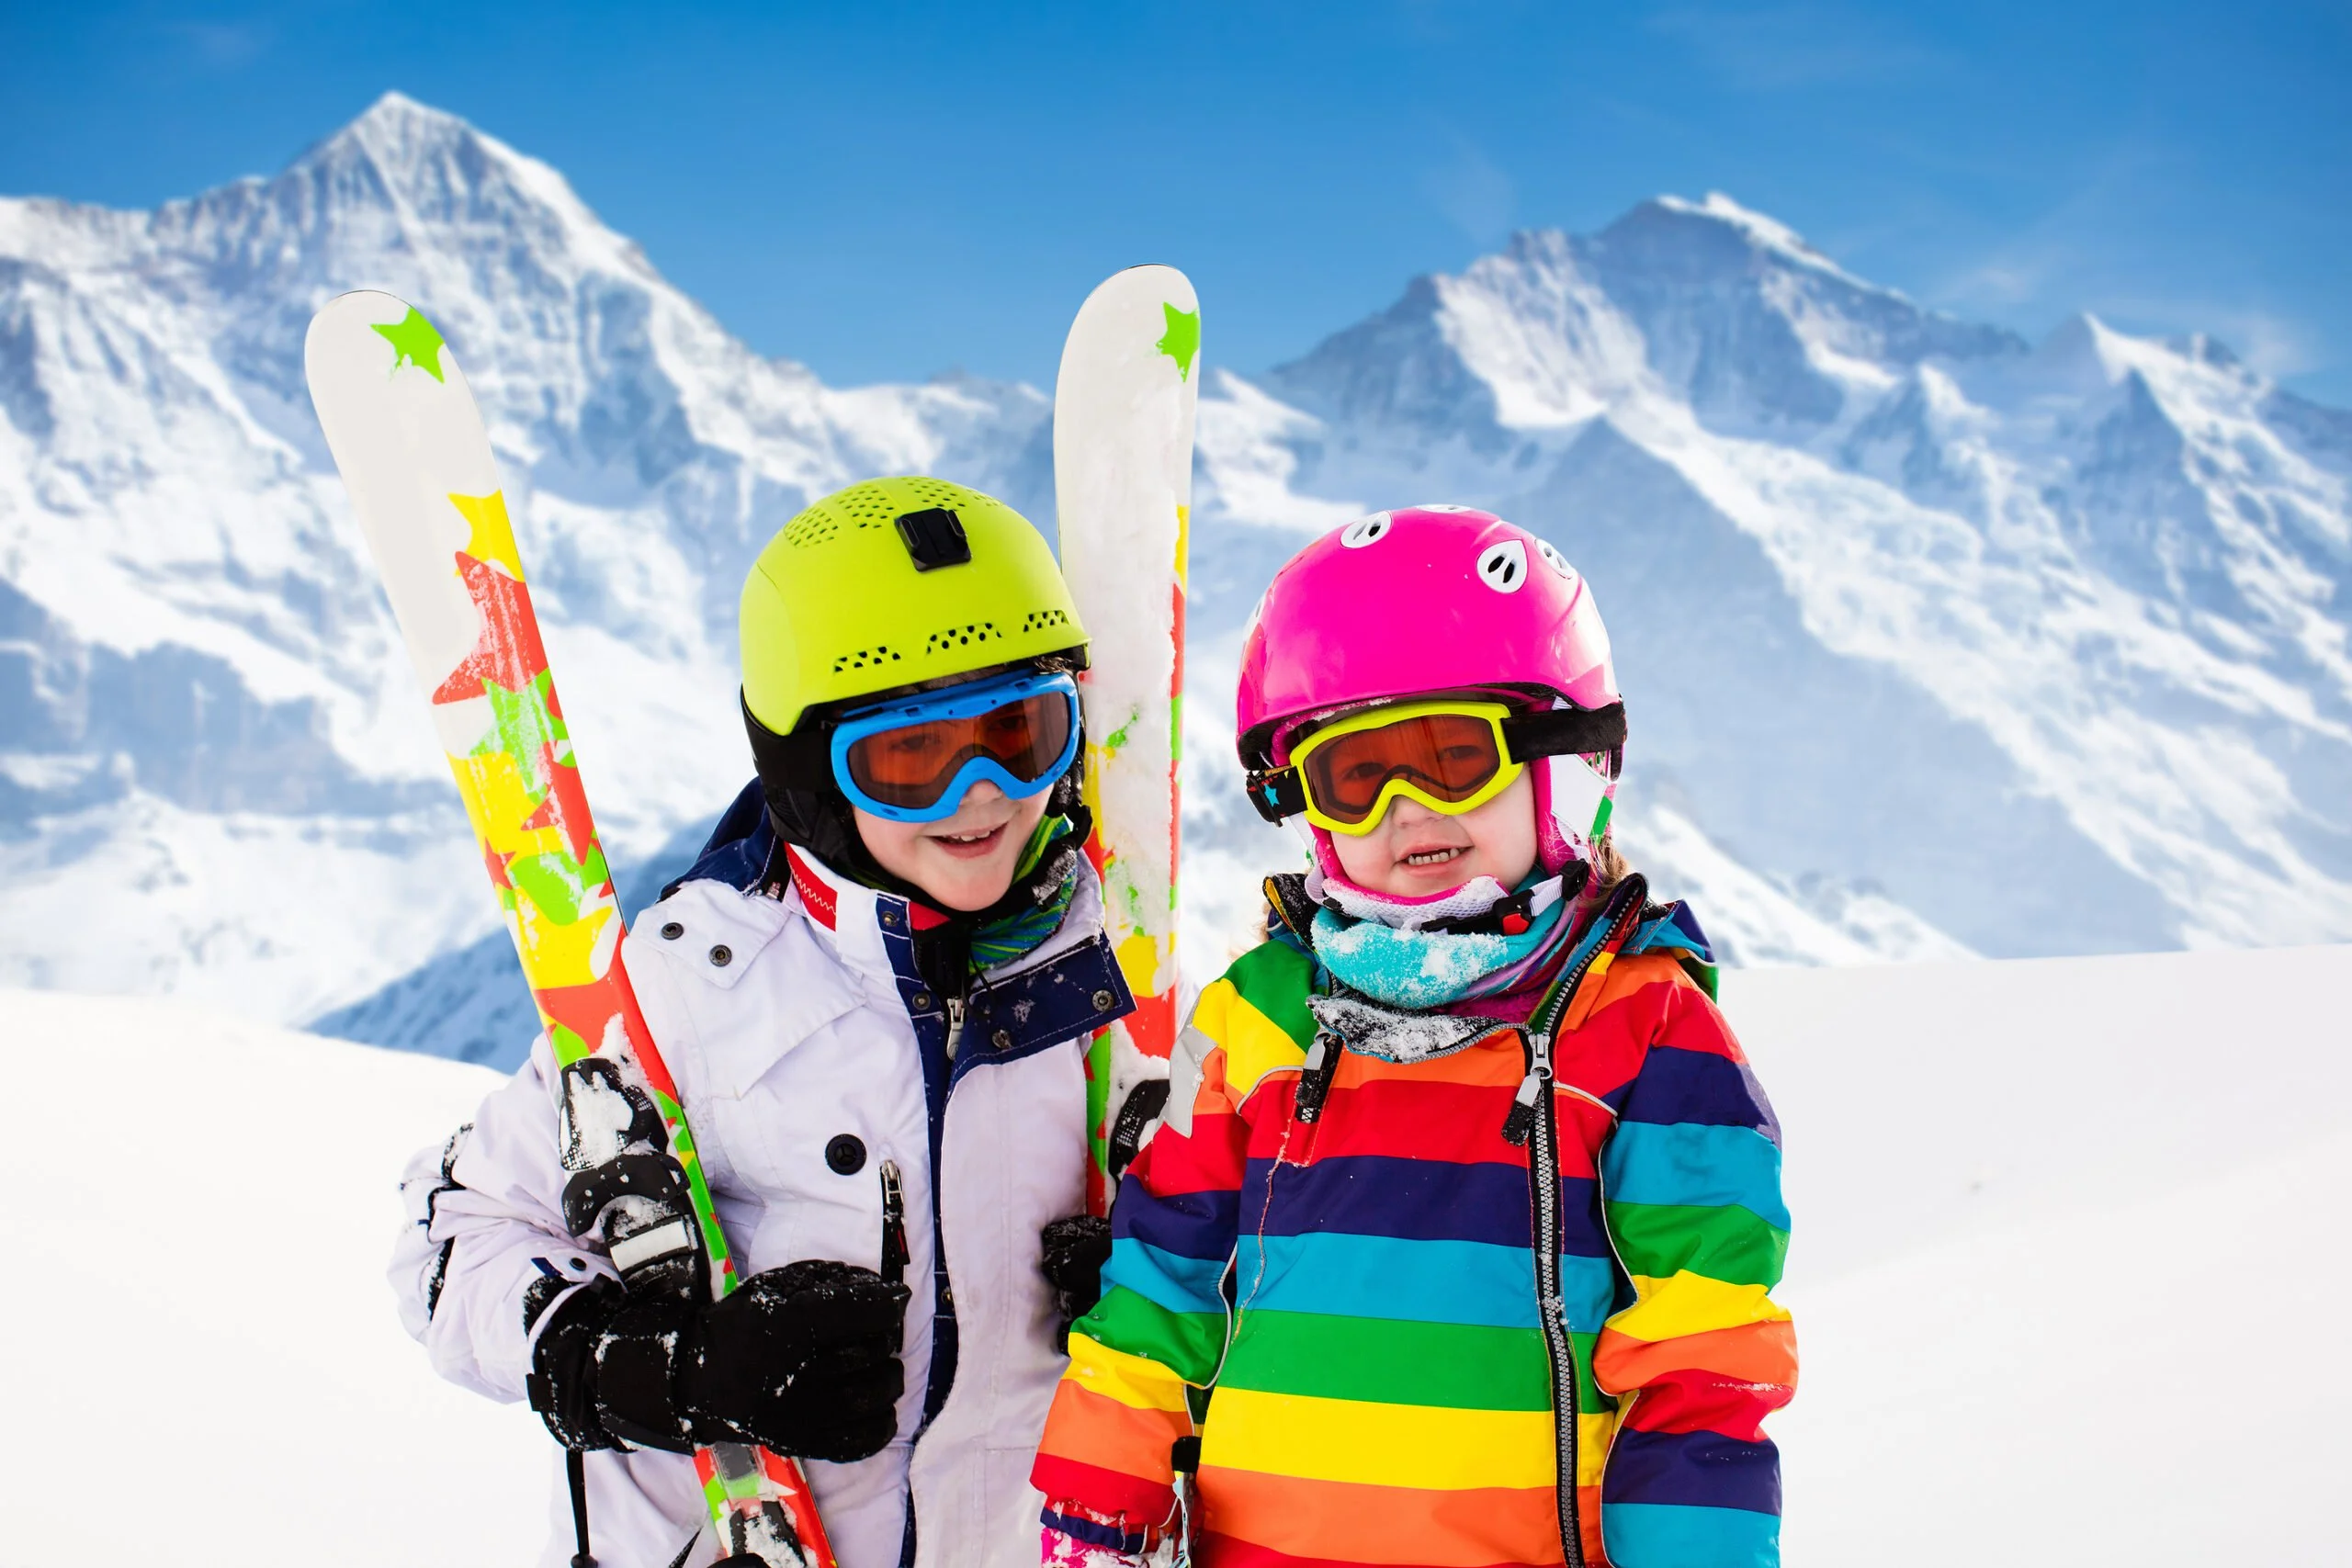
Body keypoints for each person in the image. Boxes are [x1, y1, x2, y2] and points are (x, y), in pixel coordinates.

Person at [1030, 506, 1797, 1568]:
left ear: (1563, 760)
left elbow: (1702, 1350)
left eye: (1450, 758)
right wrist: (1099, 1486)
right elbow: (1162, 1275)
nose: (1406, 811)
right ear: (1306, 806)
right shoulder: (1258, 1017)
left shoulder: (1643, 1025)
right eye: (1357, 776)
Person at [392, 476, 1132, 1568]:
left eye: (1020, 734)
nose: (980, 793)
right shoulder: (687, 994)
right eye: (910, 757)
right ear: (807, 770)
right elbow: (446, 1245)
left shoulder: (1114, 987)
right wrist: (660, 1369)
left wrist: (1164, 1286)